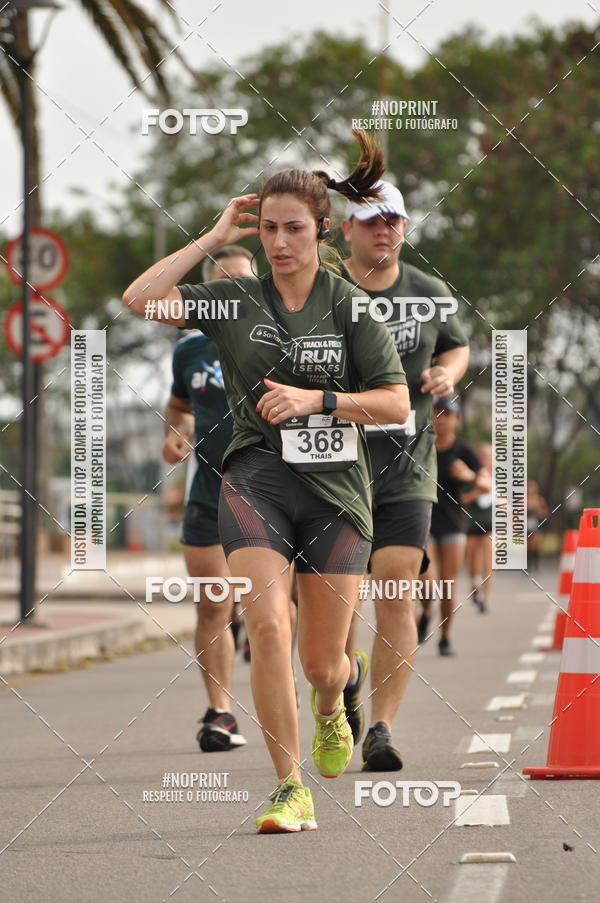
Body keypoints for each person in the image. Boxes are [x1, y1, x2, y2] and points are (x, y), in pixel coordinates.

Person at [122, 129, 409, 833]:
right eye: (270, 227)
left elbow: (396, 404)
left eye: (294, 228)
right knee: (268, 625)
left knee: (321, 663)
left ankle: (338, 686)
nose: (280, 242)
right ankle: (290, 787)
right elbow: (140, 298)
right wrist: (212, 233)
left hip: (337, 488)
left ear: (320, 231)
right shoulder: (233, 301)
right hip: (256, 476)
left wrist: (320, 400)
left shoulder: (349, 307)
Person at [339, 181, 469, 770]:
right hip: (331, 465)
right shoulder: (323, 287)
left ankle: (382, 726)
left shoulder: (429, 291)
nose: (382, 230)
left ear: (405, 227)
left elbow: (457, 347)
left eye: (392, 220)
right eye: (370, 221)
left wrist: (445, 373)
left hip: (407, 464)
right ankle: (343, 677)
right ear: (347, 229)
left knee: (396, 584)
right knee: (334, 602)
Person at [163, 246, 252, 752]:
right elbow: (178, 408)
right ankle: (221, 713)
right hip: (208, 491)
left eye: (245, 280)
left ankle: (332, 683)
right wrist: (174, 435)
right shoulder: (188, 351)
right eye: (225, 282)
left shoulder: (278, 339)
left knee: (280, 611)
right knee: (213, 605)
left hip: (272, 493)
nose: (236, 291)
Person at [419, 397, 490, 656]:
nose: (442, 418)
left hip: (453, 523)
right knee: (427, 582)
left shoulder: (464, 450)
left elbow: (486, 484)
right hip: (423, 520)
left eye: (448, 414)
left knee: (447, 585)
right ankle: (426, 610)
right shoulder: (421, 444)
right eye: (437, 413)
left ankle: (445, 638)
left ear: (457, 419)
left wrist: (469, 477)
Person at [464, 442, 494, 612]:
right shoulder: (471, 476)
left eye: (487, 455)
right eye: (481, 455)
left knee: (489, 561)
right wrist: (478, 491)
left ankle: (484, 598)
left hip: (491, 525)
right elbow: (463, 499)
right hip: (472, 524)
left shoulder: (498, 477)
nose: (484, 458)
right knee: (473, 561)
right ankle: (475, 585)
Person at [527, 480, 549, 570]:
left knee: (535, 544)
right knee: (527, 545)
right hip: (526, 524)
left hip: (536, 523)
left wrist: (537, 513)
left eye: (533, 487)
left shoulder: (539, 500)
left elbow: (546, 512)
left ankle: (536, 564)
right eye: (530, 487)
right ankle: (527, 565)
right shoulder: (524, 499)